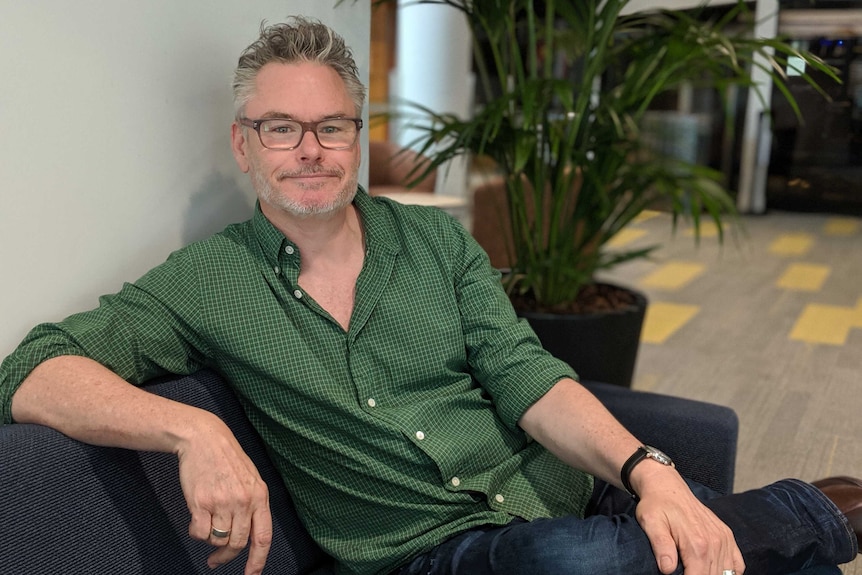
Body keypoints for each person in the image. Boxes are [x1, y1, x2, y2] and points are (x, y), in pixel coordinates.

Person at [0, 16, 860, 575]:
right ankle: (826, 507)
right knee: (585, 561)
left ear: (357, 139)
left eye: (332, 126)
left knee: (676, 534)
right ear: (244, 143)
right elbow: (30, 370)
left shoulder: (438, 241)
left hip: (562, 494)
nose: (310, 149)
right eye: (281, 128)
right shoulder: (205, 282)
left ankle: (784, 523)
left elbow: (528, 376)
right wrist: (191, 426)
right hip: (427, 550)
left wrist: (648, 473)